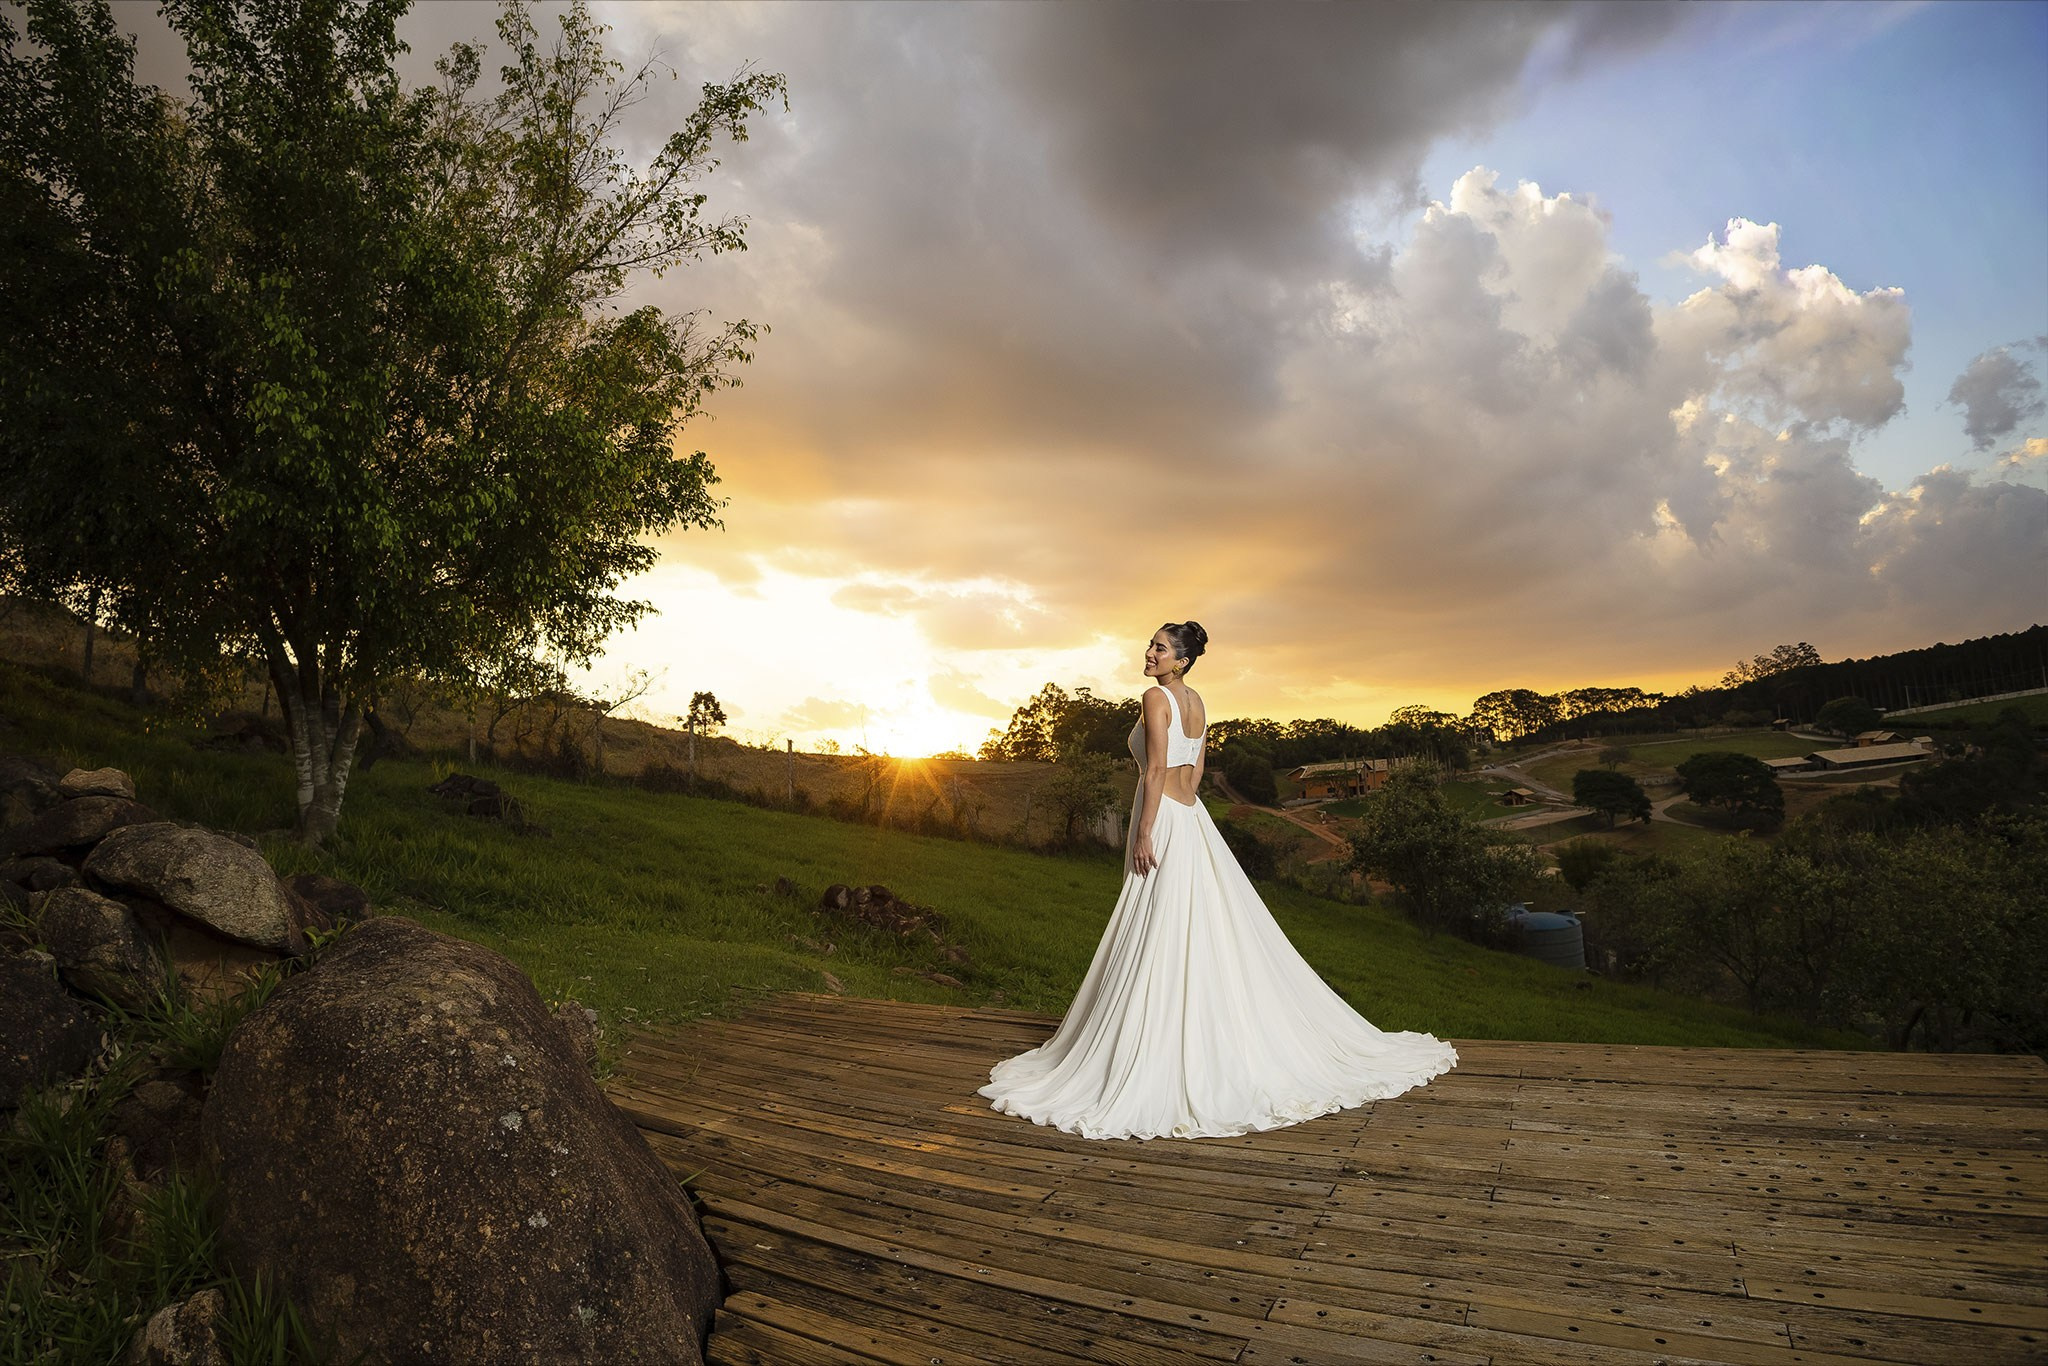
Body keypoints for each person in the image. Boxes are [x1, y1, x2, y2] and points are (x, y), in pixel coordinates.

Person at [978, 621, 1458, 1141]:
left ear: (1180, 660)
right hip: (1191, 818)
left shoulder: (1155, 697)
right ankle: (1189, 1030)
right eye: (1151, 645)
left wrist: (1145, 832)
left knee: (1158, 925)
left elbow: (1154, 770)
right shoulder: (1198, 702)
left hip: (1163, 818)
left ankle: (1159, 1040)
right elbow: (1195, 773)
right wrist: (1175, 815)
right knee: (1189, 925)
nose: (1149, 652)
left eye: (1160, 648)